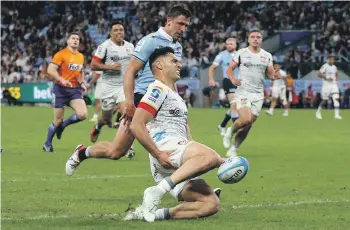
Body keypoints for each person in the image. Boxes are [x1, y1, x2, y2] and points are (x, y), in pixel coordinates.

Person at [124, 47, 223, 222]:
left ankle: (152, 213)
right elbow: (136, 125)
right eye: (174, 61)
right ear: (159, 65)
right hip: (165, 148)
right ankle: (158, 191)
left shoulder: (175, 95)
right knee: (210, 157)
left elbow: (187, 137)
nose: (179, 64)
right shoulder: (158, 89)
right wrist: (158, 154)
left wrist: (221, 161)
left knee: (210, 203)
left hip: (175, 156)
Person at [65, 22, 135, 176]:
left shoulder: (130, 47)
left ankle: (126, 144)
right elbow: (93, 65)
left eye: (121, 30)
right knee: (106, 119)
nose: (119, 32)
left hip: (123, 88)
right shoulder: (105, 46)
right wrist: (110, 67)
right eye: (115, 30)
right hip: (108, 88)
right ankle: (98, 126)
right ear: (110, 33)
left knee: (128, 115)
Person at [223, 30, 281, 157]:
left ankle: (234, 148)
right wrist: (233, 79)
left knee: (248, 125)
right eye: (253, 37)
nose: (255, 39)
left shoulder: (267, 56)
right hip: (243, 92)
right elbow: (229, 70)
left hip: (258, 94)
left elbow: (270, 75)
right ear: (248, 39)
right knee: (245, 119)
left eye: (258, 37)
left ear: (261, 40)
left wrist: (275, 76)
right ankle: (230, 130)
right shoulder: (241, 53)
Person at [43, 32, 87, 152]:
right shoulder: (61, 54)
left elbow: (80, 70)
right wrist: (62, 80)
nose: (75, 40)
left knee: (83, 114)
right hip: (60, 90)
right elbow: (50, 69)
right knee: (57, 120)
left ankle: (62, 126)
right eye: (73, 38)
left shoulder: (80, 56)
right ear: (68, 41)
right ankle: (47, 144)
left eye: (77, 39)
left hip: (74, 90)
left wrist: (82, 82)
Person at [208, 38, 239, 136]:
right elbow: (212, 68)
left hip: (239, 82)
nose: (229, 45)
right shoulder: (221, 55)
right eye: (227, 44)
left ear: (235, 45)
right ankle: (236, 128)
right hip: (228, 81)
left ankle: (222, 126)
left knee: (236, 105)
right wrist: (211, 79)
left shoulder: (240, 54)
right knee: (234, 104)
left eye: (231, 44)